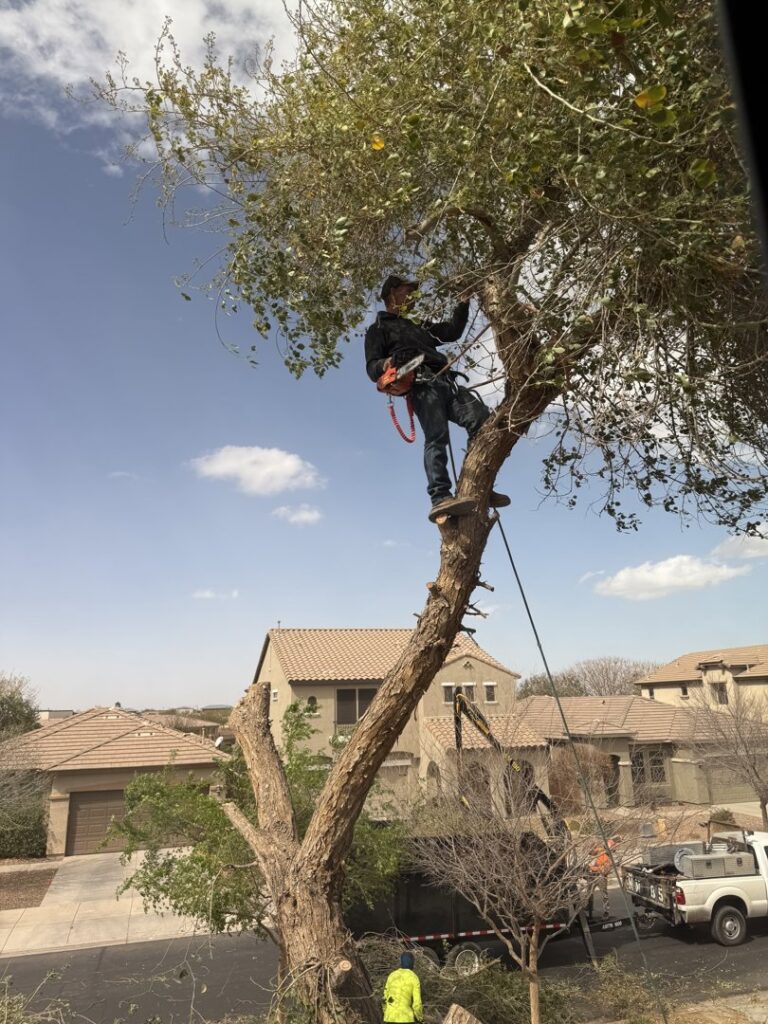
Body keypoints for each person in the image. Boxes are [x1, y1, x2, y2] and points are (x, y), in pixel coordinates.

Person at [365, 274, 510, 523]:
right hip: (421, 384)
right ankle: (440, 497)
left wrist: (463, 301)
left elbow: (452, 332)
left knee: (482, 420)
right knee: (437, 436)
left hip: (445, 381)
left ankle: (477, 484)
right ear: (392, 293)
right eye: (407, 291)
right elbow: (372, 368)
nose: (412, 297)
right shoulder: (379, 328)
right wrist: (389, 362)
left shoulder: (419, 325)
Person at [382, 951, 423, 1024]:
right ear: (412, 963)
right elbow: (417, 1004)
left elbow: (384, 998)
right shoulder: (414, 977)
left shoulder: (392, 976)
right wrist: (419, 1018)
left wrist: (386, 1011)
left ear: (400, 961)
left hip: (390, 1017)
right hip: (406, 1018)